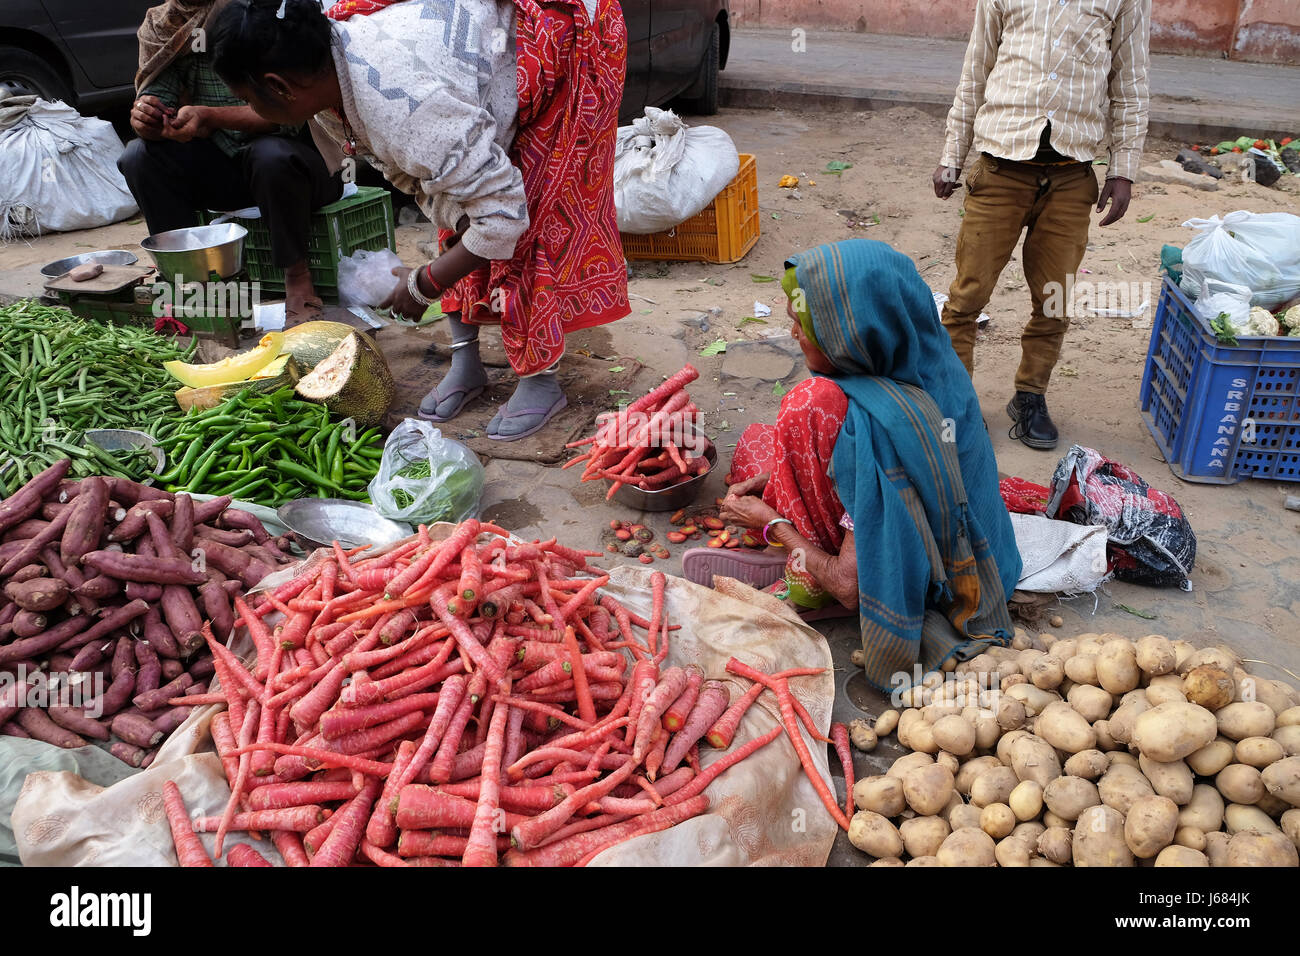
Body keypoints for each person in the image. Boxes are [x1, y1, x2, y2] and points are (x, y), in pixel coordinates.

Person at [210, 0, 630, 441]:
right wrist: (456, 225)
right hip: (460, 76)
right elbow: (419, 175)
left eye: (245, 99)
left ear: (278, 86)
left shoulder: (408, 107)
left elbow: (506, 216)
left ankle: (540, 380)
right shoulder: (329, 83)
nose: (246, 108)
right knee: (462, 207)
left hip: (563, 43)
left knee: (532, 217)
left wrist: (424, 284)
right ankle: (467, 362)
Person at [686, 239, 1023, 690]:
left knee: (807, 408)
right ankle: (799, 549)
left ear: (852, 332)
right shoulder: (929, 363)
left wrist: (773, 525)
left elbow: (850, 583)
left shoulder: (871, 422)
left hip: (919, 576)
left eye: (804, 325)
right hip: (955, 539)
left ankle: (805, 574)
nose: (794, 335)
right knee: (759, 442)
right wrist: (777, 473)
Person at [933, 0, 1151, 450]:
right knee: (966, 298)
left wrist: (1123, 170)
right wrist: (951, 156)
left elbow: (1130, 84)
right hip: (1000, 168)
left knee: (1055, 299)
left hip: (1073, 176)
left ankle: (1030, 397)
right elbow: (976, 71)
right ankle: (953, 404)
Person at [122, 0, 344, 320]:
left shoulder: (257, 13)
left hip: (300, 167)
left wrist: (211, 116)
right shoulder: (168, 27)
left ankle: (297, 278)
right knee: (138, 156)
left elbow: (287, 112)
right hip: (227, 170)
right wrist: (149, 118)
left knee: (270, 155)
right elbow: (157, 101)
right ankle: (186, 283)